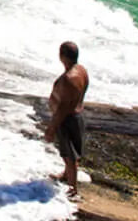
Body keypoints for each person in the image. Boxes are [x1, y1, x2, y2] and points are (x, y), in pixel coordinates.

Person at [47, 41, 90, 198]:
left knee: (69, 156)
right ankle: (66, 175)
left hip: (67, 119)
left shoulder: (68, 79)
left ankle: (73, 189)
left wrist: (51, 128)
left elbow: (63, 108)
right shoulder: (81, 70)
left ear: (62, 56)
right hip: (77, 115)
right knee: (71, 152)